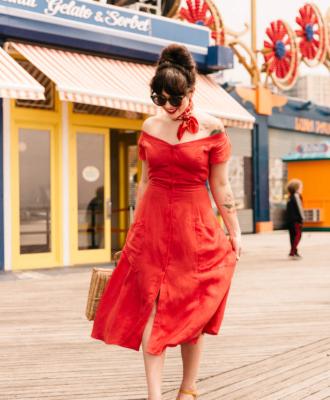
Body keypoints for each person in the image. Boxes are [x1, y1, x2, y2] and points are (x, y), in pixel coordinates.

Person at [91, 44, 242, 400]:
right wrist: (133, 230)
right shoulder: (150, 125)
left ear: (192, 90)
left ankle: (187, 388)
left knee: (195, 307)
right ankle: (154, 395)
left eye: (176, 99)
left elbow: (220, 184)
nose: (169, 107)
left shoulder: (213, 128)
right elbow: (143, 180)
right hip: (153, 227)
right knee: (152, 306)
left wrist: (234, 231)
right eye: (161, 99)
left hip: (197, 228)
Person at [286, 179, 305, 260]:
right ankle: (293, 252)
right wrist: (302, 218)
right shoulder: (296, 196)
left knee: (292, 236)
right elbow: (299, 208)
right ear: (296, 188)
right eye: (301, 188)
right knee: (297, 235)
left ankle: (294, 251)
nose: (302, 189)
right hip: (296, 220)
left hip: (290, 220)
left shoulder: (290, 197)